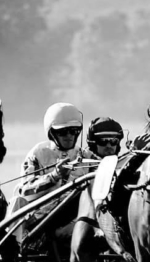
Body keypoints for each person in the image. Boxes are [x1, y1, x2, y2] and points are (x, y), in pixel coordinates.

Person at [9, 103, 95, 252]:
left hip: (73, 221)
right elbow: (25, 189)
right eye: (63, 132)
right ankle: (15, 247)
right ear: (52, 133)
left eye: (74, 131)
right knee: (16, 200)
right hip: (38, 220)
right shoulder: (37, 153)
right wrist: (54, 176)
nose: (69, 136)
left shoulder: (87, 156)